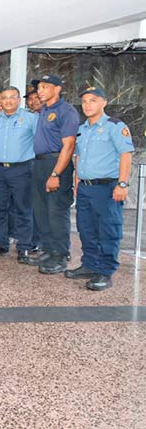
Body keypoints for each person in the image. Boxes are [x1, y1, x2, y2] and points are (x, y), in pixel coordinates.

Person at [68, 87, 133, 291]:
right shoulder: (82, 129)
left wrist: (122, 184)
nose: (88, 105)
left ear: (104, 102)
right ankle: (89, 265)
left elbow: (125, 155)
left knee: (108, 230)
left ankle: (105, 271)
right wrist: (77, 181)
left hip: (107, 187)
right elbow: (78, 157)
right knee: (86, 229)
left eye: (93, 100)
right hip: (85, 188)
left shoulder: (115, 126)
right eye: (85, 101)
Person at [25, 74, 80, 274]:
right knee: (41, 211)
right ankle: (48, 250)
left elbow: (69, 145)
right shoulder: (44, 110)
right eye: (39, 87)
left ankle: (60, 255)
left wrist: (56, 173)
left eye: (45, 87)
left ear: (57, 89)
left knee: (56, 211)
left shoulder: (66, 111)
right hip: (40, 163)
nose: (40, 91)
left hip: (56, 164)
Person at [0, 86, 39, 262]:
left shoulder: (31, 118)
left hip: (22, 169)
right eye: (4, 98)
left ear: (19, 100)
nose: (8, 101)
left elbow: (41, 143)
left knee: (23, 210)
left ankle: (24, 247)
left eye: (12, 97)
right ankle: (1, 244)